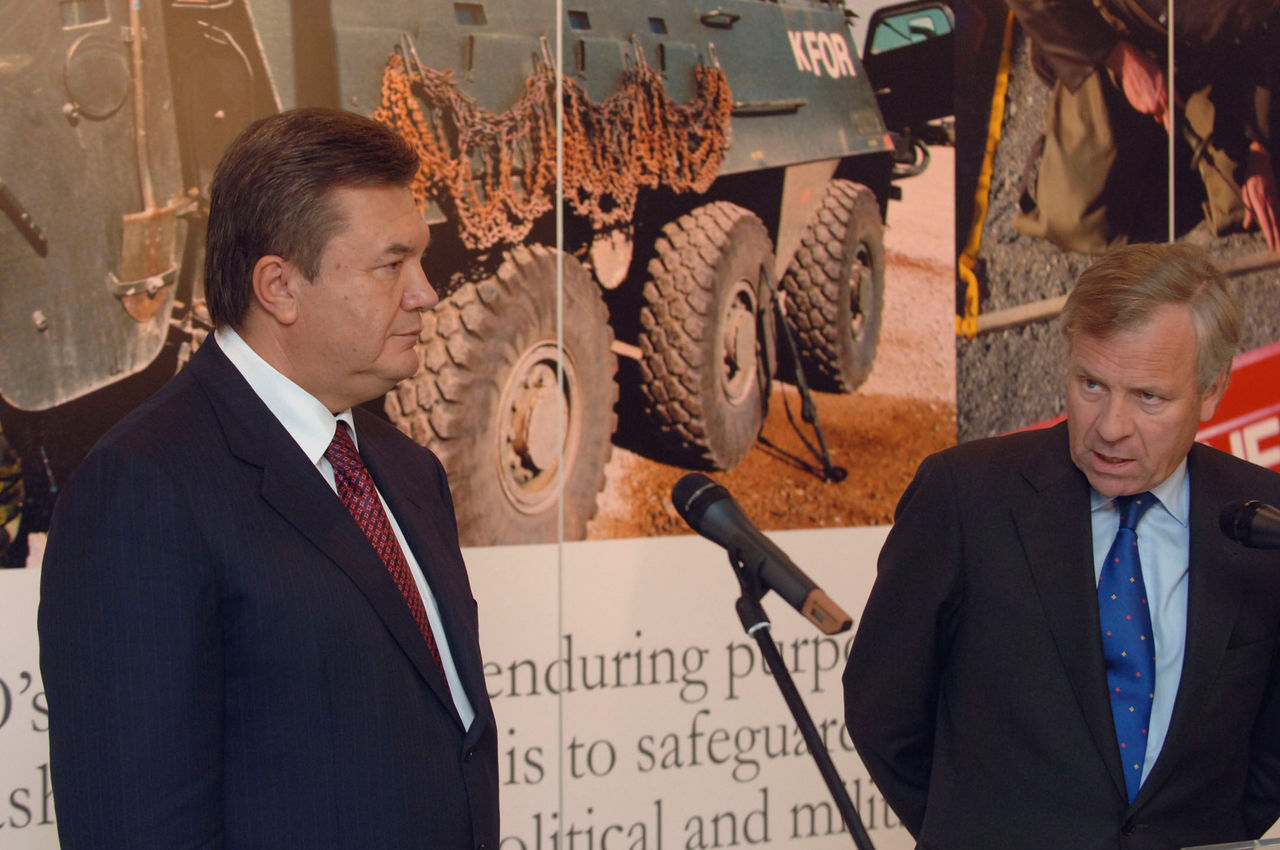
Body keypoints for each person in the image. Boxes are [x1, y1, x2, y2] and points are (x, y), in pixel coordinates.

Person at [38, 108, 499, 848]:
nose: (425, 293)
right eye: (392, 265)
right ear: (279, 287)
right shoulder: (143, 490)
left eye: (420, 260)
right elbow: (135, 827)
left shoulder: (408, 470)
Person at [844, 242, 1280, 848]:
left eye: (1148, 397)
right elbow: (882, 712)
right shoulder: (965, 495)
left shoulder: (1261, 518)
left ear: (1211, 391)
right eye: (1091, 384)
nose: (1110, 427)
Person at [1008, 0, 1279, 254]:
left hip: (1206, 55)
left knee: (1244, 207)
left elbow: (1265, 29)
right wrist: (1121, 60)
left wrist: (1258, 142)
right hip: (1117, 35)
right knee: (1075, 220)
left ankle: (1167, 148)